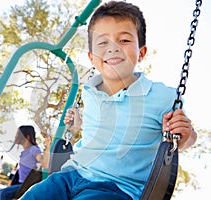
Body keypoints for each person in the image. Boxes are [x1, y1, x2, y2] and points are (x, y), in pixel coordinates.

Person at [20, 1, 197, 200]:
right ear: (92, 58)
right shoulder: (89, 91)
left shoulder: (163, 96)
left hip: (117, 188)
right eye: (103, 42)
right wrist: (76, 123)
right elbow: (97, 132)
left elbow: (188, 138)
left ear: (142, 53)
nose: (112, 48)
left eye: (124, 40)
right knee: (33, 195)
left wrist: (184, 136)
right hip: (70, 175)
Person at [0, 125, 51, 200]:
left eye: (18, 134)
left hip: (26, 185)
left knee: (3, 194)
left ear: (27, 137)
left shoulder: (33, 150)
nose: (15, 136)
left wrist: (48, 147)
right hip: (19, 183)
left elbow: (44, 164)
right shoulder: (24, 152)